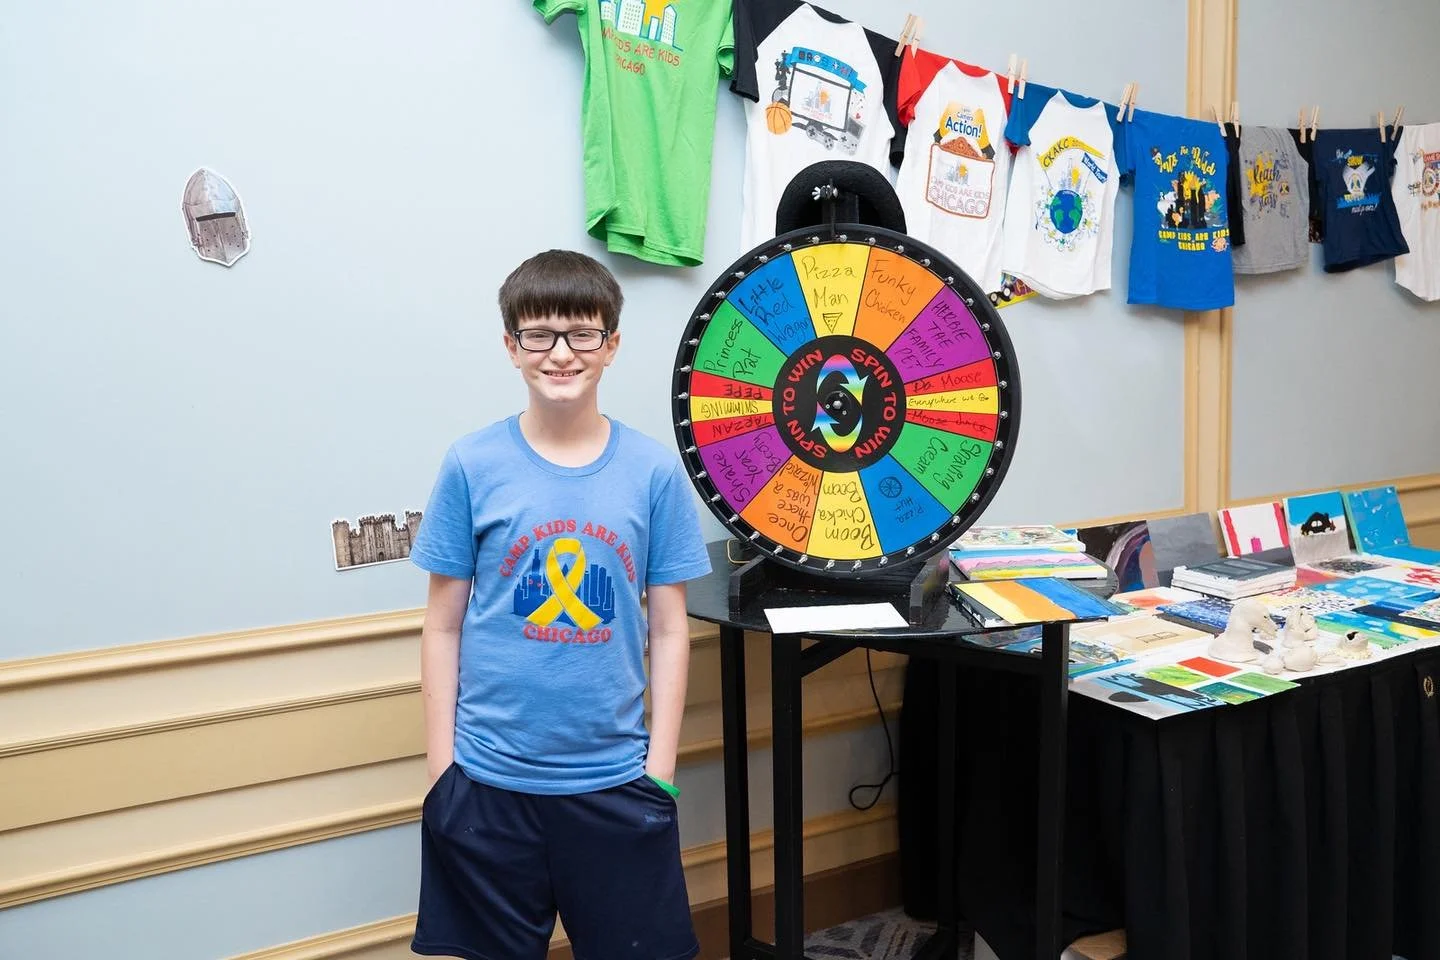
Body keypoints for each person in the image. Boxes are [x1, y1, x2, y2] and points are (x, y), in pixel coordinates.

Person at [408, 249, 712, 960]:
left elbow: (670, 631)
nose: (561, 353)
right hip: (486, 783)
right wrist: (442, 773)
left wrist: (659, 772)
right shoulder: (471, 465)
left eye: (582, 333)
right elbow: (442, 623)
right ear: (511, 347)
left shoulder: (653, 472)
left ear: (611, 344)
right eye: (539, 334)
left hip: (615, 782)